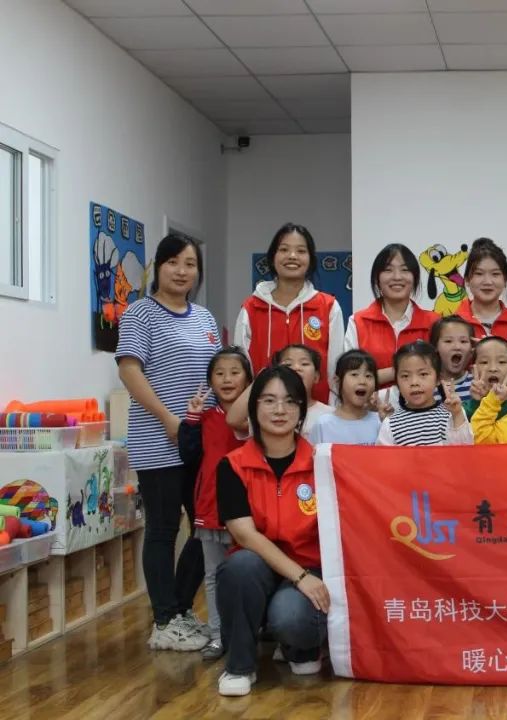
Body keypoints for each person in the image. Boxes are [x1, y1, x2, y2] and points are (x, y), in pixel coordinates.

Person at [116, 233, 218, 652]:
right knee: (162, 527)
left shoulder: (204, 318)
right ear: (158, 267)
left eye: (190, 264)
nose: (181, 271)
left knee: (207, 528)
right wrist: (168, 420)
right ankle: (163, 620)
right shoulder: (140, 313)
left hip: (200, 441)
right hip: (158, 439)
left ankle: (179, 610)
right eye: (173, 262)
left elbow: (217, 375)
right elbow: (129, 370)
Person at [215, 366, 329, 697]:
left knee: (291, 617)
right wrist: (299, 577)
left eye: (290, 401)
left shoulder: (322, 462)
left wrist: (307, 576)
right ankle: (240, 665)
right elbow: (244, 535)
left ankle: (300, 648)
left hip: (310, 565)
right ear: (254, 408)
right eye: (269, 400)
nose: (280, 410)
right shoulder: (233, 465)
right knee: (239, 566)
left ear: (302, 411)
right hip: (260, 565)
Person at [177, 347, 252, 660]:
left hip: (248, 511)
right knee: (213, 575)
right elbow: (188, 455)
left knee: (247, 574)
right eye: (219, 374)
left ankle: (250, 634)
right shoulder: (205, 418)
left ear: (248, 379)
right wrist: (191, 420)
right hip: (210, 507)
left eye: (234, 372)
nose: (227, 379)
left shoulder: (256, 417)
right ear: (210, 381)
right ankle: (218, 635)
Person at [234, 223, 344, 404]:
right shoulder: (251, 308)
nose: (292, 256)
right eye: (284, 249)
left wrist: (334, 411)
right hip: (265, 410)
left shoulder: (328, 306)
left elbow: (335, 368)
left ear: (310, 259)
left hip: (316, 411)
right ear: (272, 257)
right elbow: (242, 369)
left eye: (301, 251)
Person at [345, 244, 440, 387]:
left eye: (405, 270)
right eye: (388, 270)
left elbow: (441, 373)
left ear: (415, 278)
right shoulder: (358, 322)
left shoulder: (434, 323)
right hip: (371, 402)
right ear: (377, 278)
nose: (397, 277)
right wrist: (402, 369)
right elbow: (350, 379)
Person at [376, 341, 473, 446]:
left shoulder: (452, 414)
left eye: (423, 374)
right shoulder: (391, 424)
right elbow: (383, 455)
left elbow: (464, 449)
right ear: (397, 382)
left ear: (438, 379)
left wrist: (457, 415)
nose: (414, 382)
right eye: (405, 376)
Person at [457, 238, 507, 356]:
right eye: (479, 274)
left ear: (505, 280)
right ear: (467, 280)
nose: (488, 282)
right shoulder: (452, 323)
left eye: (495, 274)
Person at [308, 350, 381, 445]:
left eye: (368, 376)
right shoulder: (323, 425)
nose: (362, 381)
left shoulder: (380, 422)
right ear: (338, 381)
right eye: (354, 374)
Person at [463, 336, 507, 420]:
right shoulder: (462, 409)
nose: (493, 368)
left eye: (501, 362)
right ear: (473, 371)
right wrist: (476, 403)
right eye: (484, 362)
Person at [430, 315, 475, 403]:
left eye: (463, 341)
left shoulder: (477, 385)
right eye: (448, 341)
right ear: (435, 346)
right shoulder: (427, 387)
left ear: (472, 348)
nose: (457, 347)